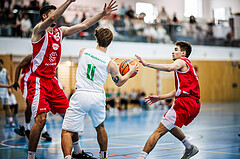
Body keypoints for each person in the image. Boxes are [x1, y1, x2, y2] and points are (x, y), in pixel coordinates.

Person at [27, 1, 117, 159]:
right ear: (44, 16)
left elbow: (83, 25)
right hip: (38, 80)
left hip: (52, 81)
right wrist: (69, 1)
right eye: (53, 14)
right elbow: (55, 15)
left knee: (70, 117)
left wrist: (102, 14)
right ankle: (31, 156)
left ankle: (77, 152)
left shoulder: (59, 32)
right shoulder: (38, 31)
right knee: (41, 120)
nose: (57, 17)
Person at [61, 27, 138, 159]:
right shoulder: (110, 63)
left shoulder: (83, 52)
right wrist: (130, 72)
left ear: (96, 39)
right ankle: (103, 156)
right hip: (97, 96)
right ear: (110, 42)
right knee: (100, 127)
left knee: (67, 131)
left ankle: (68, 157)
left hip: (82, 94)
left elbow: (94, 62)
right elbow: (119, 82)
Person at [135, 41, 200, 159]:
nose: (173, 51)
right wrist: (159, 97)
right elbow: (178, 91)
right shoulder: (188, 67)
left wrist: (147, 63)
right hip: (193, 103)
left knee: (158, 131)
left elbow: (170, 68)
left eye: (176, 49)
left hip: (186, 103)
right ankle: (189, 147)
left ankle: (141, 157)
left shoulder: (181, 61)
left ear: (183, 53)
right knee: (169, 125)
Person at [13, 54, 52, 141]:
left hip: (39, 82)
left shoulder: (47, 58)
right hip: (27, 82)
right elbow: (18, 67)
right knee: (30, 104)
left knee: (42, 106)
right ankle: (27, 128)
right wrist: (15, 81)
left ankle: (43, 131)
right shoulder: (31, 57)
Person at [0, 59, 15, 127]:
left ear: (2, 64)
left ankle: (11, 121)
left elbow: (9, 80)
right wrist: (8, 86)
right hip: (2, 88)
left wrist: (9, 88)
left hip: (5, 92)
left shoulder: (5, 71)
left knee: (7, 106)